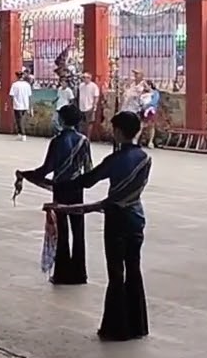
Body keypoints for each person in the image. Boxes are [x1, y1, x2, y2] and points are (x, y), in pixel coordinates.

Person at [50, 110, 151, 341]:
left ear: (117, 132)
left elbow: (88, 179)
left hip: (116, 218)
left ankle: (117, 328)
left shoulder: (115, 160)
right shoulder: (146, 158)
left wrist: (60, 188)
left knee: (116, 272)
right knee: (133, 268)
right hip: (136, 218)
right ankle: (138, 325)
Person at [17, 105, 93, 285]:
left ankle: (62, 273)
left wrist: (26, 174)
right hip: (77, 187)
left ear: (63, 120)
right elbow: (88, 168)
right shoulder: (84, 141)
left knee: (62, 230)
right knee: (78, 230)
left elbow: (46, 168)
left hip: (60, 187)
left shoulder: (57, 141)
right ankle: (80, 273)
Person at [8, 71, 32, 141]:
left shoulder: (14, 85)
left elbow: (11, 95)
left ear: (17, 76)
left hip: (17, 104)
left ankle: (23, 134)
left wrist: (11, 104)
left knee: (19, 120)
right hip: (25, 104)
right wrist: (30, 107)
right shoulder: (27, 85)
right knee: (21, 119)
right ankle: (19, 134)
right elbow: (29, 96)